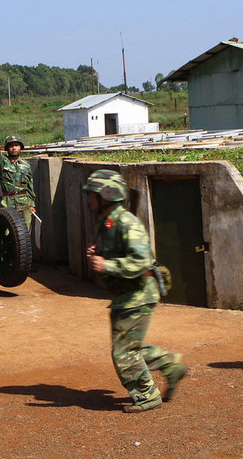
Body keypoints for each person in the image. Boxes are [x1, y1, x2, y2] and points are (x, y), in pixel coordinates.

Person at [84, 169, 186, 413]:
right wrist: (100, 252)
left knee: (123, 351)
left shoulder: (127, 222)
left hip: (138, 294)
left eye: (92, 194)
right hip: (126, 294)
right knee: (130, 347)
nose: (88, 198)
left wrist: (107, 264)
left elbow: (141, 261)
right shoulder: (106, 220)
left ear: (106, 195)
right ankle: (170, 365)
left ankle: (147, 395)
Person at [0, 121, 36, 228]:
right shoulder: (3, 162)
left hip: (24, 202)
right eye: (11, 146)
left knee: (25, 231)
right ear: (7, 148)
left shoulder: (26, 165)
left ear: (20, 147)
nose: (14, 148)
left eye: (16, 145)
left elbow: (30, 186)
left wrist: (32, 204)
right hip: (8, 202)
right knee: (8, 231)